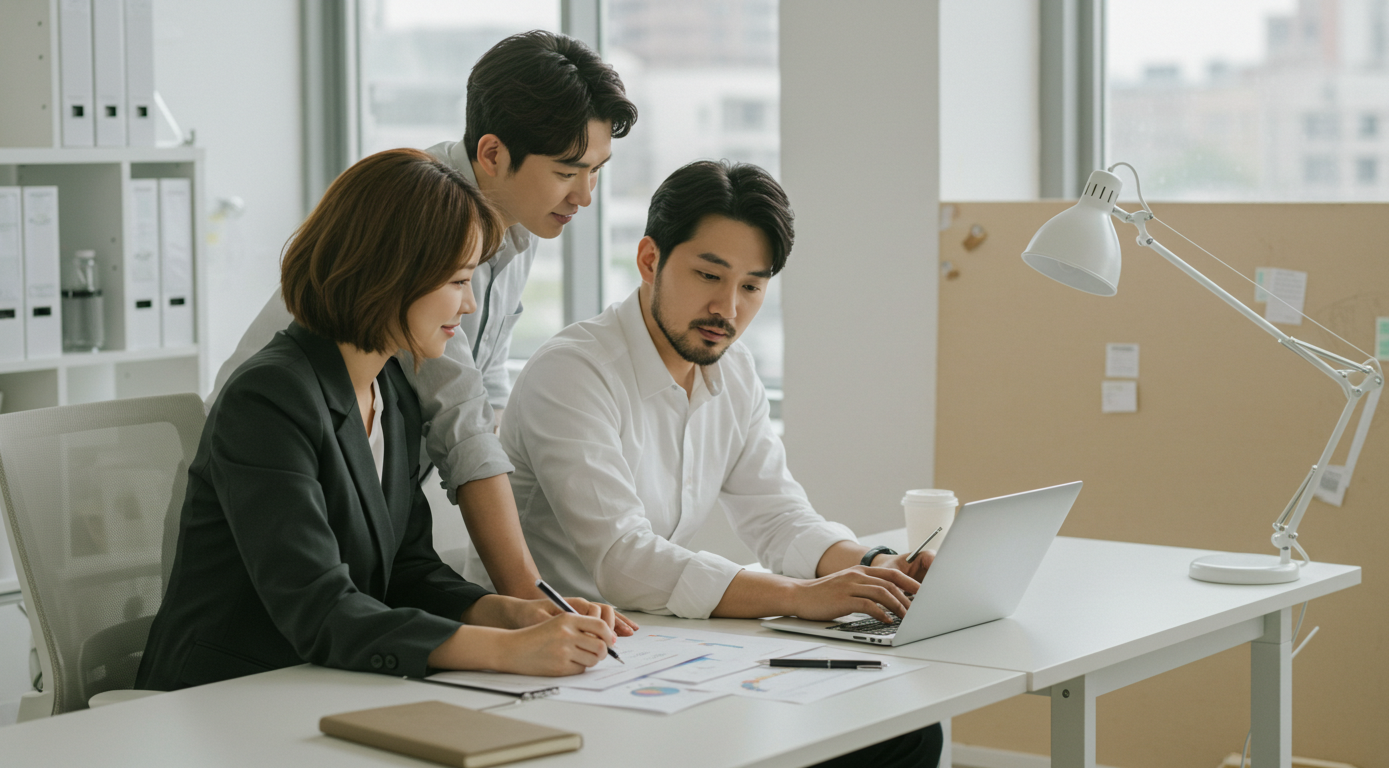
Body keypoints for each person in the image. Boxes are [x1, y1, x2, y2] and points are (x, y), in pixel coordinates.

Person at [472, 160, 942, 767]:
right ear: (649, 260)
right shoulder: (574, 372)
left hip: (660, 649)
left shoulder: (733, 371)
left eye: (751, 287)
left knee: (906, 732)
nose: (728, 308)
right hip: (556, 660)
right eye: (708, 275)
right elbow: (624, 560)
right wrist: (802, 596)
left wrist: (878, 567)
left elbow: (779, 518)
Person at [135, 149, 619, 691]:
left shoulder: (390, 390)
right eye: (458, 282)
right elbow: (320, 609)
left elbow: (408, 571)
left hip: (323, 684)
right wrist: (508, 651)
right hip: (226, 694)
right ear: (391, 275)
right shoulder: (267, 399)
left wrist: (509, 613)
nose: (468, 306)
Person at [208, 31, 639, 612]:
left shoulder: (520, 220)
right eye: (568, 172)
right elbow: (459, 418)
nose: (585, 196)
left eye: (596, 171)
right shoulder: (424, 216)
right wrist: (530, 601)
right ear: (493, 154)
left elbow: (484, 391)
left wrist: (521, 609)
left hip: (363, 511)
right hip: (270, 494)